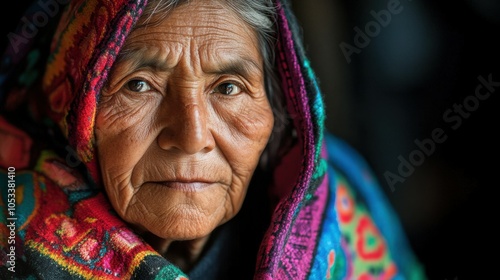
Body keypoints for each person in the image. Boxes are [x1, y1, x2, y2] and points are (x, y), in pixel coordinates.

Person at [0, 0, 426, 279]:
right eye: (139, 85)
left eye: (228, 88)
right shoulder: (11, 231)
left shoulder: (338, 198)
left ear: (278, 114)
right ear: (70, 106)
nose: (192, 137)